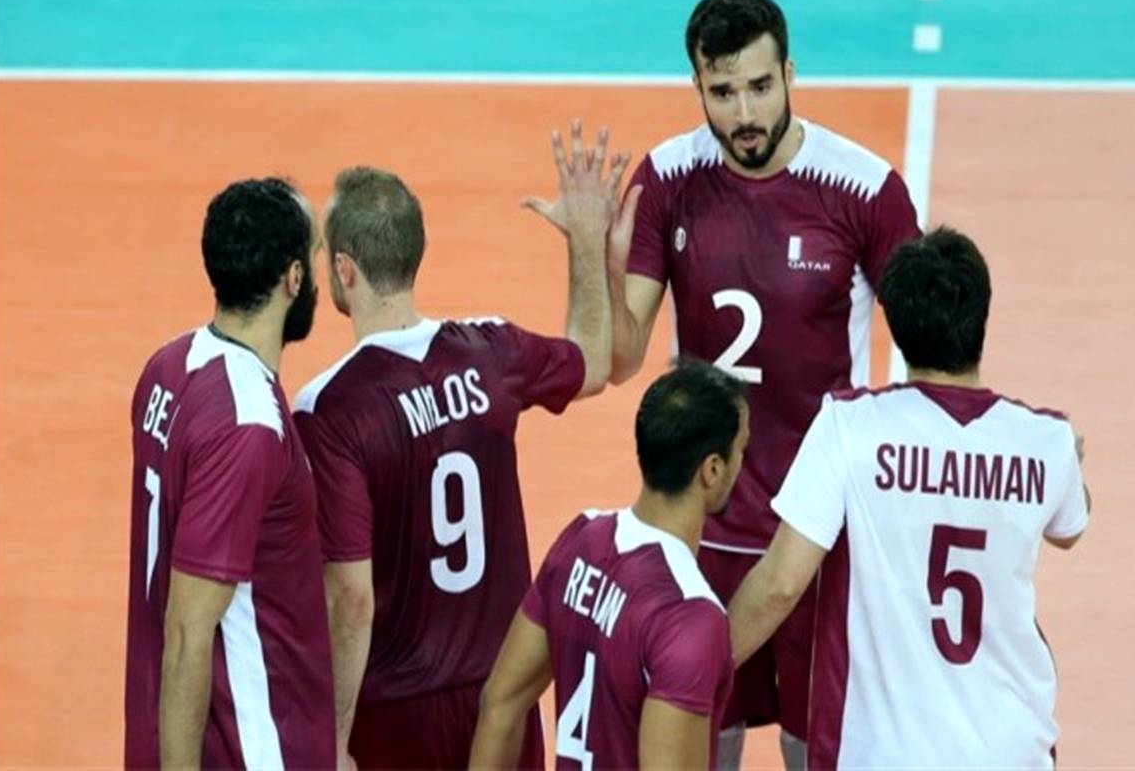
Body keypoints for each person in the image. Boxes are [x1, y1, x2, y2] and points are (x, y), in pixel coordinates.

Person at [596, 0, 923, 766]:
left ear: (790, 73)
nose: (744, 113)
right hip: (699, 530)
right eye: (722, 92)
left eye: (760, 86)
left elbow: (926, 356)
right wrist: (595, 259)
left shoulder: (865, 189)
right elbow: (622, 355)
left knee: (815, 747)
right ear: (697, 84)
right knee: (705, 743)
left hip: (816, 535)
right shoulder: (667, 179)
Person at [293, 123, 636, 769]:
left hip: (397, 713)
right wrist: (585, 242)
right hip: (501, 697)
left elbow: (351, 597)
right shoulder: (492, 350)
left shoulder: (329, 408)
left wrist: (332, 739)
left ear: (344, 269)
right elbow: (594, 362)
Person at [728, 227, 1091, 768]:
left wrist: (690, 669)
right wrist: (1069, 463)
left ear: (895, 326)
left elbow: (780, 585)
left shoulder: (849, 426)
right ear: (981, 315)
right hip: (1012, 750)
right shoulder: (1047, 441)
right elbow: (1071, 525)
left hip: (880, 753)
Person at [124, 178, 335, 769]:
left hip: (166, 727)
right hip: (251, 744)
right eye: (315, 255)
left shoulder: (167, 366)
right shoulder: (248, 426)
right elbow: (189, 631)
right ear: (294, 278)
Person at [470, 358, 749, 769]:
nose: (743, 463)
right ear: (712, 469)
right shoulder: (690, 617)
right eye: (741, 449)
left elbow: (499, 705)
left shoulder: (581, 540)